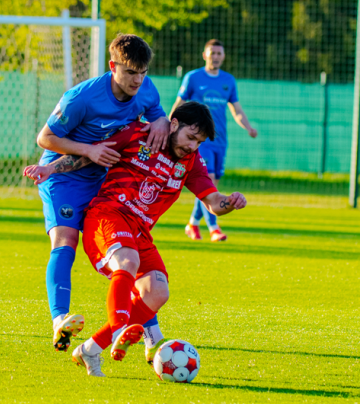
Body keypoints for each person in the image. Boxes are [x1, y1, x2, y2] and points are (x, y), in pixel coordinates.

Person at [25, 102, 247, 377]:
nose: (193, 146)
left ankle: (90, 349)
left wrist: (231, 202)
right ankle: (120, 326)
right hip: (107, 215)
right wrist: (51, 169)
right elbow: (91, 155)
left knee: (158, 291)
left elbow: (213, 201)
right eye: (191, 137)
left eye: (199, 142)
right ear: (173, 124)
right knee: (127, 261)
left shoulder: (192, 162)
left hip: (139, 230)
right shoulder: (138, 134)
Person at [31, 34, 171, 353]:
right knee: (65, 240)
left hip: (106, 178)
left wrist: (161, 122)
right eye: (131, 71)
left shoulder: (146, 89)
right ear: (113, 66)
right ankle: (60, 322)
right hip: (64, 174)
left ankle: (150, 332)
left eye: (142, 72)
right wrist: (89, 150)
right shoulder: (82, 97)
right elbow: (45, 137)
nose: (137, 79)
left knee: (124, 253)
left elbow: (157, 115)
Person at [171, 39, 257, 242]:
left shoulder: (228, 80)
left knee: (211, 188)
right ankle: (214, 228)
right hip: (201, 142)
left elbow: (236, 110)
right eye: (212, 53)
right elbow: (179, 104)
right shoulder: (193, 77)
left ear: (223, 56)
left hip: (220, 141)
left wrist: (249, 127)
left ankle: (192, 223)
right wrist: (168, 125)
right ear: (204, 55)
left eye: (219, 53)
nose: (216, 57)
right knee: (209, 181)